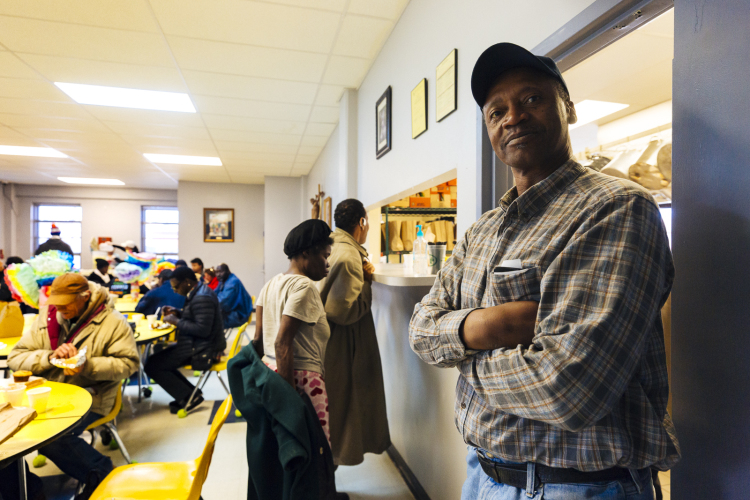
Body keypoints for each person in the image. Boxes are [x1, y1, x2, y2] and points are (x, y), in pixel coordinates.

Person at [409, 43, 678, 500]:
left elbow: (568, 387)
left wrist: (460, 357)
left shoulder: (615, 209)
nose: (512, 117)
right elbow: (420, 329)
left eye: (531, 99)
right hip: (481, 474)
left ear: (567, 108)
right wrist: (493, 324)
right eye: (497, 111)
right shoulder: (482, 231)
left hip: (575, 487)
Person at [2, 273, 139, 500]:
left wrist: (87, 365)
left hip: (92, 396)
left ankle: (106, 478)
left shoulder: (113, 322)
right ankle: (28, 490)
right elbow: (15, 357)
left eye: (66, 304)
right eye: (56, 304)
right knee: (7, 438)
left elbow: (129, 364)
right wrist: (49, 358)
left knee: (52, 439)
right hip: (50, 396)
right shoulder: (49, 316)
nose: (60, 310)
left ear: (85, 296)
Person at [317, 199, 391, 466]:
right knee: (342, 407)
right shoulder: (350, 256)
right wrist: (368, 282)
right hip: (342, 340)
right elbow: (342, 311)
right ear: (361, 222)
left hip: (330, 338)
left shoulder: (333, 245)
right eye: (367, 222)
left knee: (334, 408)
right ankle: (327, 484)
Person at [253, 219, 333, 443]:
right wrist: (291, 399)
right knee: (314, 449)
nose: (328, 264)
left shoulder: (269, 284)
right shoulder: (304, 286)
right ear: (307, 253)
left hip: (271, 373)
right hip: (301, 380)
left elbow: (258, 340)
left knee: (285, 447)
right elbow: (282, 343)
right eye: (325, 256)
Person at [144, 266, 225, 413]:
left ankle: (189, 396)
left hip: (203, 349)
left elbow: (202, 330)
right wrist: (178, 313)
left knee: (152, 365)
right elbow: (198, 318)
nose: (174, 290)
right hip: (198, 344)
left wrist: (176, 321)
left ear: (187, 282)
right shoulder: (199, 292)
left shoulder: (202, 297)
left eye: (176, 286)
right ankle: (190, 394)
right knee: (156, 361)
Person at [215, 263, 253, 329]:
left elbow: (222, 301)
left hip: (239, 316)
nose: (218, 275)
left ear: (228, 271)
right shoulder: (224, 280)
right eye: (217, 272)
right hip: (233, 312)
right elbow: (214, 293)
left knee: (209, 322)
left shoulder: (232, 282)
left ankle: (217, 339)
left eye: (221, 272)